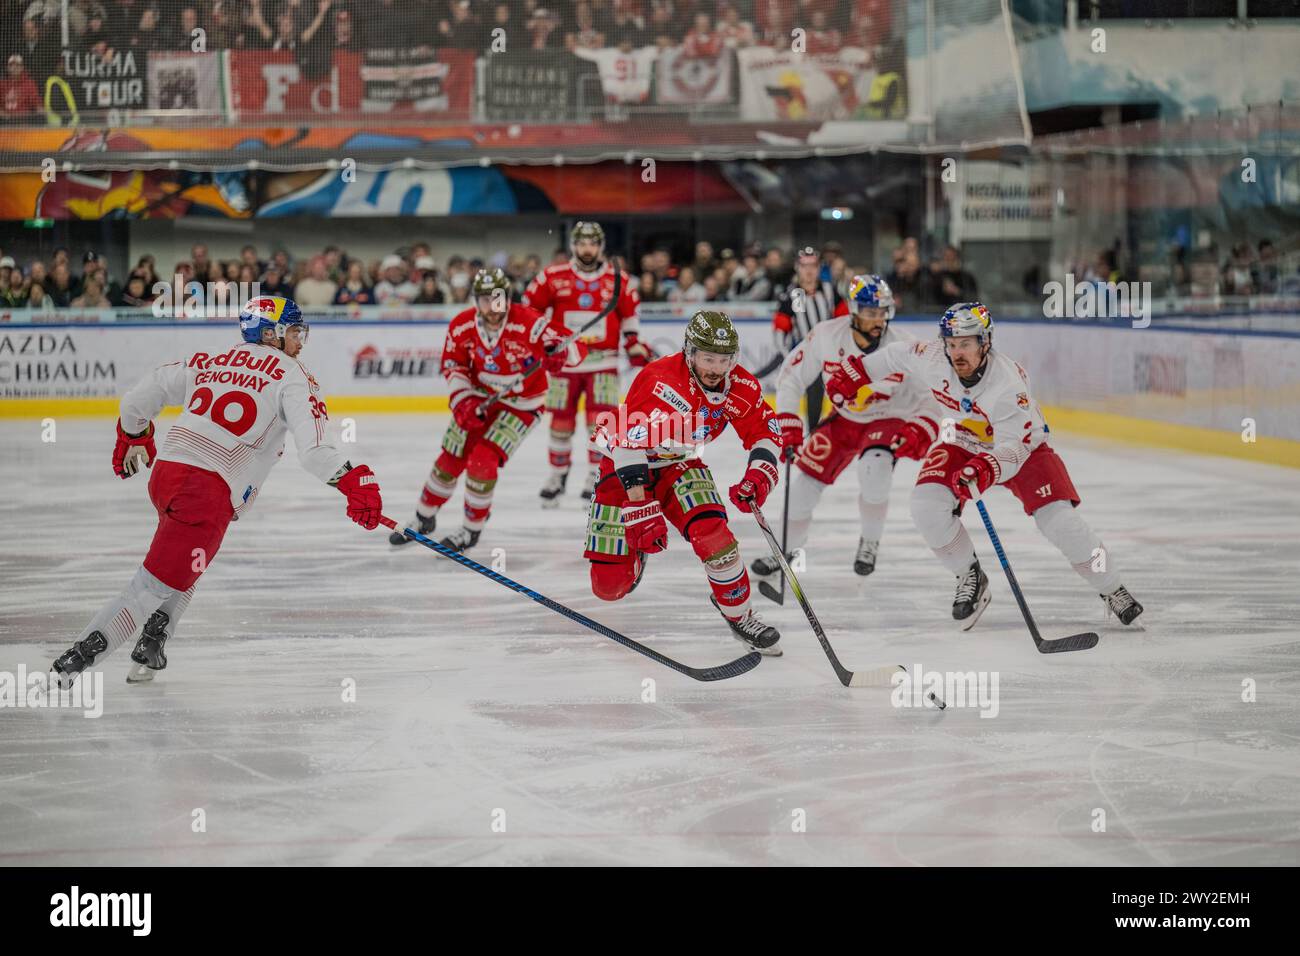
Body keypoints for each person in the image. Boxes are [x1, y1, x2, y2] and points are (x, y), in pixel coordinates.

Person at [51, 296, 384, 688]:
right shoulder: (294, 375)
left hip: (167, 476)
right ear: (272, 334)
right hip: (206, 491)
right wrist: (352, 480)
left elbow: (138, 397)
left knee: (187, 559)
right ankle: (74, 663)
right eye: (293, 330)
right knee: (152, 584)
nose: (300, 339)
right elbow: (312, 453)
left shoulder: (211, 360)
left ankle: (152, 642)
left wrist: (134, 434)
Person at [825, 302, 1144, 629]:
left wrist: (986, 468)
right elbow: (894, 355)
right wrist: (856, 374)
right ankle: (970, 576)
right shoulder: (933, 357)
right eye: (951, 343)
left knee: (1061, 522)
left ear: (985, 342)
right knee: (925, 506)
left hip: (1022, 447)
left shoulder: (1007, 385)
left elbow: (1013, 448)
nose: (957, 352)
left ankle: (1112, 587)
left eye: (965, 343)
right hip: (963, 440)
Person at [585, 310, 784, 655]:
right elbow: (628, 442)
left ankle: (739, 614)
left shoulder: (741, 385)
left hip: (680, 464)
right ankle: (633, 558)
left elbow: (766, 431)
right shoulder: (659, 379)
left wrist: (758, 475)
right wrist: (639, 506)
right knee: (609, 588)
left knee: (715, 538)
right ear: (691, 353)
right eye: (708, 358)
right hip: (624, 465)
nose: (716, 368)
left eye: (724, 360)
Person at [389, 268, 587, 555]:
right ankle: (423, 517)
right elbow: (453, 366)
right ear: (475, 301)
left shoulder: (530, 323)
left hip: (522, 406)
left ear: (507, 299)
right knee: (450, 459)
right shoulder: (461, 326)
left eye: (498, 300)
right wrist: (463, 401)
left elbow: (575, 347)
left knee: (483, 461)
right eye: (485, 301)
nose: (493, 309)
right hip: (479, 399)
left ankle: (471, 529)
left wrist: (561, 355)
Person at [757, 275, 936, 579]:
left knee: (875, 470)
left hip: (887, 417)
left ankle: (870, 541)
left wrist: (923, 427)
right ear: (853, 311)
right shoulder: (826, 336)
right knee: (801, 491)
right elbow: (791, 377)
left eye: (882, 312)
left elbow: (931, 394)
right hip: (843, 419)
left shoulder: (904, 345)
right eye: (869, 312)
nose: (877, 319)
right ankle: (787, 549)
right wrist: (788, 421)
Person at [523, 221, 647, 507]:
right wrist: (540, 340)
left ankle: (595, 474)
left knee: (599, 423)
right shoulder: (552, 277)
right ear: (573, 246)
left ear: (600, 246)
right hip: (564, 364)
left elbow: (629, 315)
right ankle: (557, 474)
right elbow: (530, 311)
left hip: (603, 363)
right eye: (582, 243)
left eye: (592, 243)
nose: (587, 248)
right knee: (561, 423)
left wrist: (633, 342)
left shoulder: (619, 279)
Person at [772, 246, 850, 431]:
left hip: (832, 351)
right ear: (797, 268)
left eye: (813, 266)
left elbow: (846, 320)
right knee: (814, 390)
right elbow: (782, 328)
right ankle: (814, 432)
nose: (808, 270)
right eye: (804, 266)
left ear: (819, 268)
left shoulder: (830, 291)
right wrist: (787, 354)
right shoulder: (795, 294)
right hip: (809, 354)